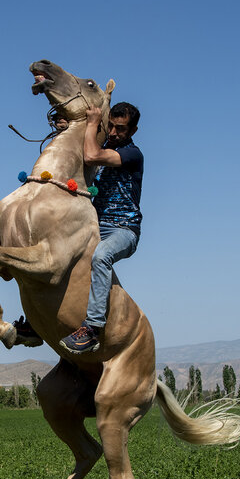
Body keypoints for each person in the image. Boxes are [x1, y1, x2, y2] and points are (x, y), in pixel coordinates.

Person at [59, 101, 143, 354]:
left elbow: (91, 156)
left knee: (102, 255)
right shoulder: (105, 142)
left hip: (123, 230)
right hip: (95, 225)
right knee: (56, 251)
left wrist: (93, 123)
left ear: (133, 131)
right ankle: (35, 318)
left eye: (122, 129)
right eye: (112, 127)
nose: (115, 133)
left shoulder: (132, 154)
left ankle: (93, 329)